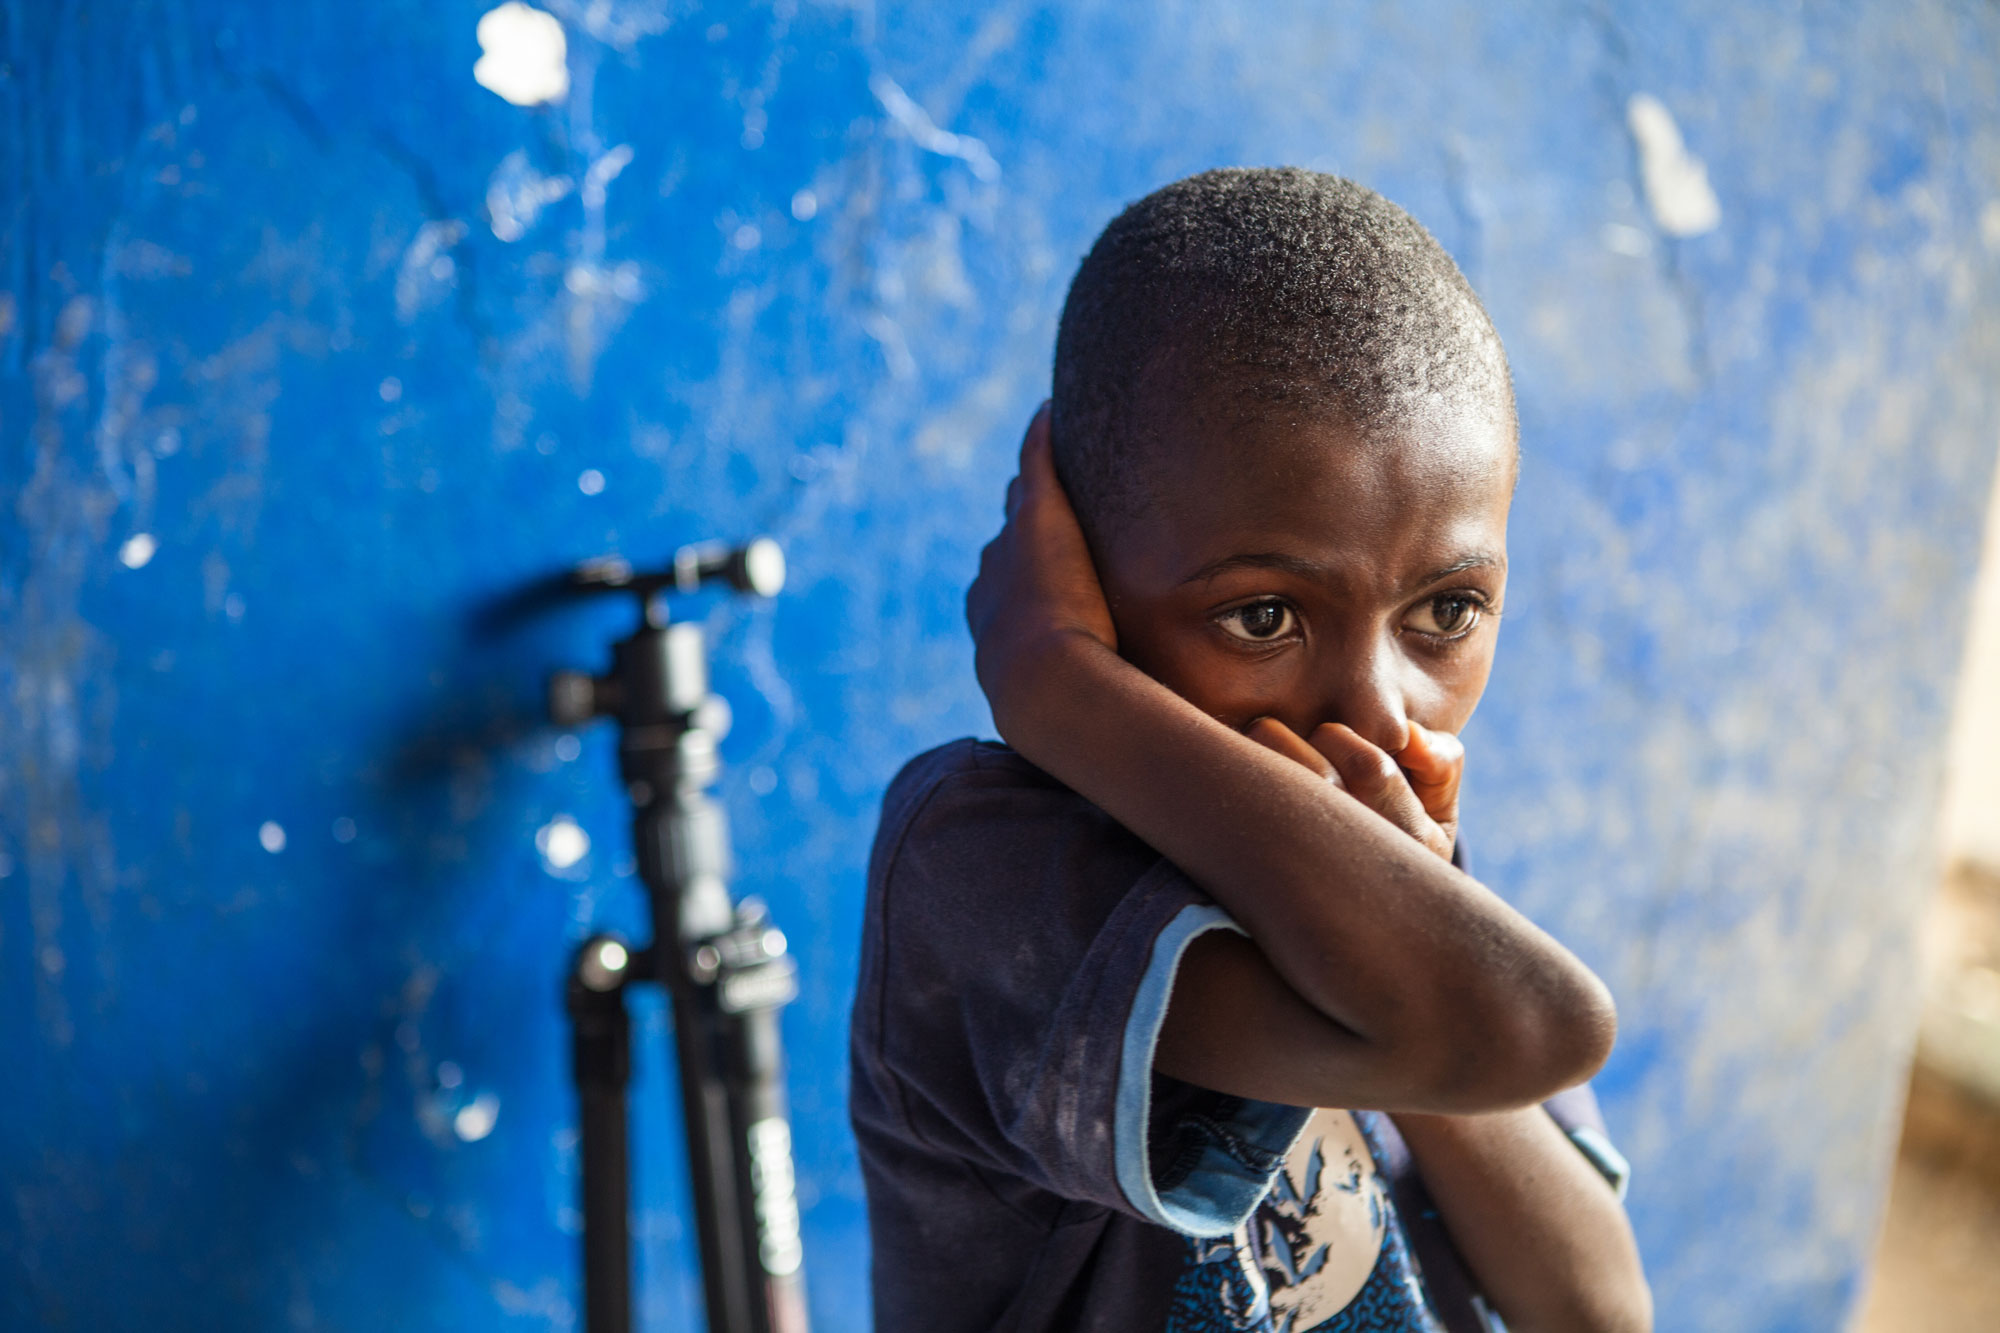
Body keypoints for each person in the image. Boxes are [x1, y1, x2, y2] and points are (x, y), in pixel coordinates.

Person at [849, 168, 1651, 1332]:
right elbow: (1527, 1026)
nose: (1374, 711)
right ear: (1080, 572)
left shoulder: (1376, 844)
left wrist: (1401, 882)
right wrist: (1059, 691)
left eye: (1446, 610)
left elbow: (1596, 1306)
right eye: (1263, 616)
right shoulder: (983, 868)